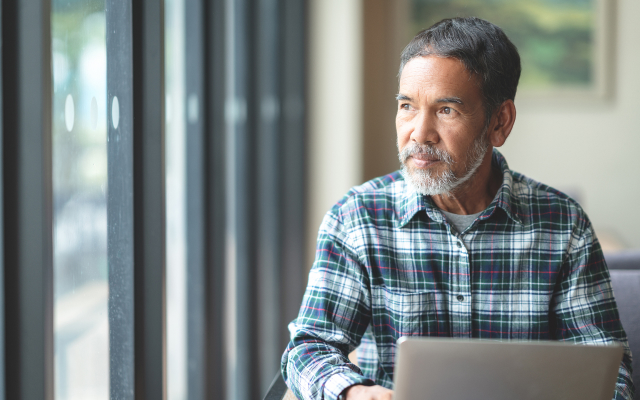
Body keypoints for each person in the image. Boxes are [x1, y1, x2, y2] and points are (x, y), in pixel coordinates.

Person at [281, 17, 634, 400]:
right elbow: (309, 349)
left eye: (446, 110)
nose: (419, 133)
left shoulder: (564, 225)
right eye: (406, 106)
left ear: (500, 122)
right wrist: (352, 392)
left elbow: (611, 374)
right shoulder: (357, 217)